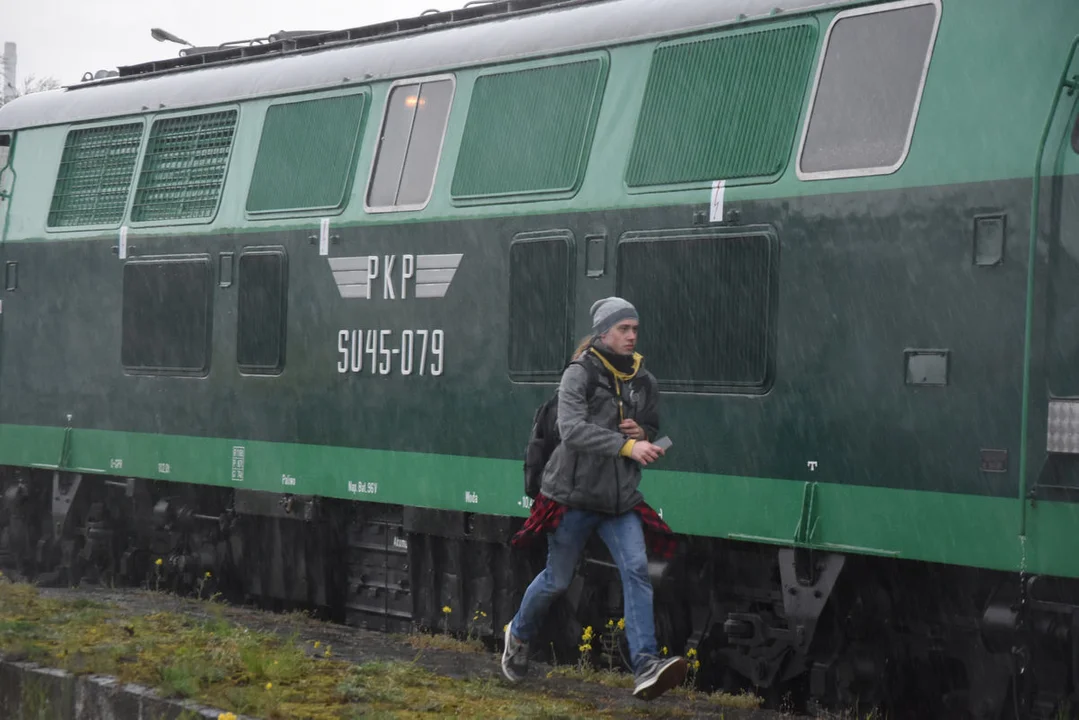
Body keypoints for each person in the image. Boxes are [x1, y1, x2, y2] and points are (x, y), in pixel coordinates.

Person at [502, 297, 687, 701]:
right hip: (570, 497)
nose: (632, 335)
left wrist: (643, 434)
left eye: (635, 328)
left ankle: (645, 666)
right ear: (603, 332)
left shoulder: (644, 381)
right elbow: (571, 431)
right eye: (624, 328)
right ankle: (517, 636)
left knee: (637, 571)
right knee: (557, 580)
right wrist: (626, 447)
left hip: (619, 502)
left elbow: (652, 426)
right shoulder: (579, 375)